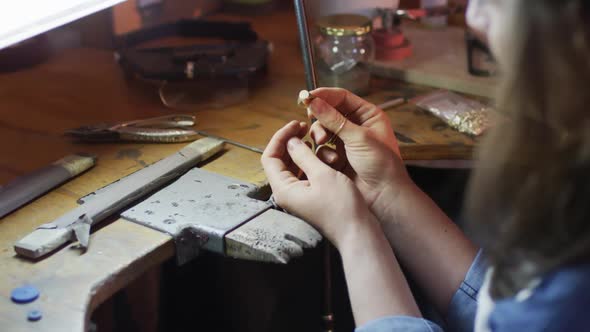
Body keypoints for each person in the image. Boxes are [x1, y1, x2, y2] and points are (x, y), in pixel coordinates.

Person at [261, 0, 590, 331]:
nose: (474, 17)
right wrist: (387, 192)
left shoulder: (569, 296)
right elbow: (500, 316)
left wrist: (354, 230)